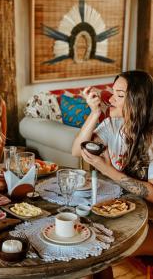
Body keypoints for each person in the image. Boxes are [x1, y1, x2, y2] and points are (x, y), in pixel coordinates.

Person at [72, 70, 153, 263]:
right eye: (112, 92)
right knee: (87, 239)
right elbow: (77, 150)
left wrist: (107, 169)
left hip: (149, 220)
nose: (111, 98)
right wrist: (95, 113)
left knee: (98, 250)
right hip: (126, 213)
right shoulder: (114, 125)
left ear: (137, 101)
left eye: (120, 95)